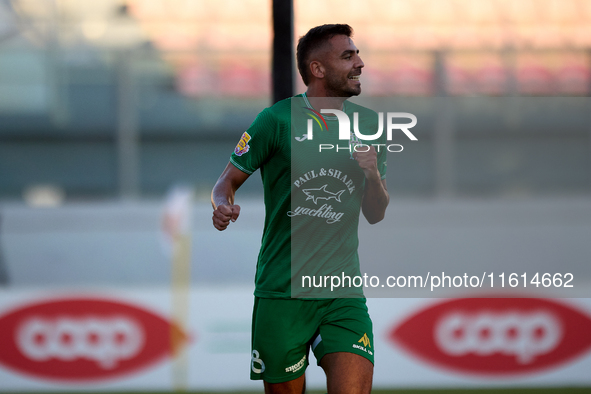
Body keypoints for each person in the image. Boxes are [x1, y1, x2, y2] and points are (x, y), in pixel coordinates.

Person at [211, 24, 388, 394]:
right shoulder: (274, 121)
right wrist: (223, 205)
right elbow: (225, 181)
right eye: (348, 56)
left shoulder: (370, 125)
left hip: (342, 293)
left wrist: (372, 174)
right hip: (282, 293)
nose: (360, 63)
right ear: (318, 69)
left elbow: (376, 212)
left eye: (357, 54)